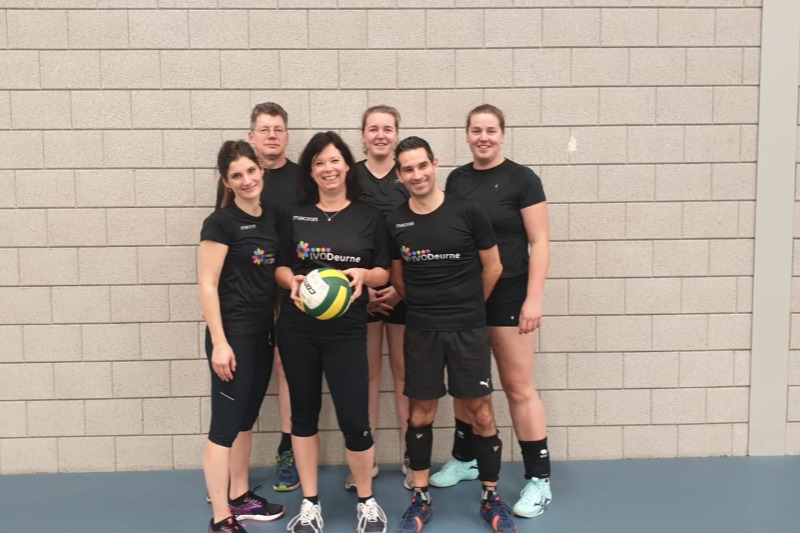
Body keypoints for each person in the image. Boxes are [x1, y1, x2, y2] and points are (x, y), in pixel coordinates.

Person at [387, 136, 515, 533]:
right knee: (420, 414)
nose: (417, 175)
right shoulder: (395, 220)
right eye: (408, 169)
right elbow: (398, 278)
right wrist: (427, 306)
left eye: (422, 165)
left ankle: (491, 495)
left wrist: (469, 307)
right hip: (422, 330)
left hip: (467, 329)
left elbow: (493, 267)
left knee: (481, 412)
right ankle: (420, 497)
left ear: (435, 164)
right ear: (399, 175)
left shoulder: (467, 211)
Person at [437, 104, 552, 519]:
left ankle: (539, 479)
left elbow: (540, 242)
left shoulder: (523, 179)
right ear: (467, 134)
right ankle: (466, 459)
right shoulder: (457, 179)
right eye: (476, 130)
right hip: (466, 297)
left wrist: (533, 299)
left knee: (518, 387)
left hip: (510, 296)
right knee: (466, 385)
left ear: (502, 135)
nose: (483, 137)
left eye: (490, 130)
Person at [276, 131, 391, 533]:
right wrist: (290, 281)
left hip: (347, 331)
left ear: (347, 165)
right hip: (298, 330)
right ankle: (310, 503)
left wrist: (364, 275)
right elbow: (279, 264)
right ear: (311, 171)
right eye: (319, 162)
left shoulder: (368, 215)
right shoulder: (293, 213)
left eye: (334, 160)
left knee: (355, 419)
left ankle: (367, 500)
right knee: (303, 416)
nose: (328, 168)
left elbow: (384, 270)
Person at [199, 140, 286, 533]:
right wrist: (220, 343)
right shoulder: (220, 223)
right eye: (237, 175)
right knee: (224, 427)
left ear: (261, 170)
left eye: (251, 171)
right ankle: (221, 518)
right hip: (231, 338)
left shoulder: (273, 216)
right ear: (227, 181)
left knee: (246, 420)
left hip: (261, 334)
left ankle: (240, 495)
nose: (247, 179)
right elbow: (207, 283)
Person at [215, 102, 302, 493]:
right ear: (252, 137)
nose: (272, 135)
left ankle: (286, 451)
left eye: (278, 129)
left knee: (286, 368)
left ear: (287, 135)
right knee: (239, 392)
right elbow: (223, 246)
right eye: (264, 129)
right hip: (246, 301)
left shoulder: (301, 178)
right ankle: (229, 478)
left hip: (289, 286)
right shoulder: (237, 184)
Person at [346, 105, 411, 492]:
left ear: (397, 134)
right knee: (367, 376)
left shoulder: (409, 174)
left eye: (388, 128)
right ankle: (365, 460)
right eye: (373, 128)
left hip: (404, 289)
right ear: (363, 135)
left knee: (403, 375)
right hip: (363, 289)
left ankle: (411, 456)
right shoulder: (351, 177)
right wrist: (367, 286)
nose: (381, 135)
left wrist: (400, 287)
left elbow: (422, 230)